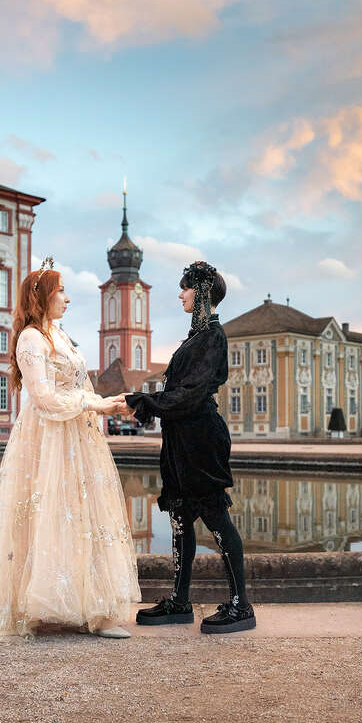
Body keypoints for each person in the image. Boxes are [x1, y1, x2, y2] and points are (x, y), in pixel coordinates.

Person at [0, 259, 140, 641]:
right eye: (61, 292)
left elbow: (80, 386)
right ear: (43, 296)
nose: (68, 299)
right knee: (46, 516)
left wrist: (108, 401)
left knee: (81, 516)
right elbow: (42, 397)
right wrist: (97, 405)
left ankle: (93, 609)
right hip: (49, 439)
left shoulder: (58, 335)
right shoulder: (31, 339)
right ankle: (35, 604)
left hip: (77, 439)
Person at [123, 261, 256, 634]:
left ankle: (240, 605)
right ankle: (180, 602)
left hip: (201, 439)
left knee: (216, 519)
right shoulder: (195, 337)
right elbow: (178, 393)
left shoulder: (213, 335)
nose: (180, 294)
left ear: (200, 293)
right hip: (181, 439)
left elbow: (193, 394)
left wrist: (149, 403)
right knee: (181, 522)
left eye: (184, 288)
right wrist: (144, 401)